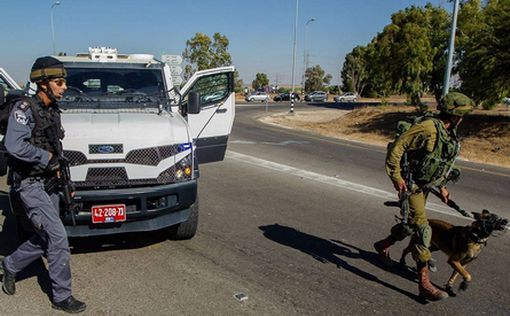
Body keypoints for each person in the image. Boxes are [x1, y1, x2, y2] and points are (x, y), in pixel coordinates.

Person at [0, 56, 86, 313]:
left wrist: (62, 176)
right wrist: (44, 158)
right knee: (58, 237)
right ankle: (62, 296)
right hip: (29, 184)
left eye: (64, 82)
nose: (64, 87)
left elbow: (53, 145)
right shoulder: (24, 109)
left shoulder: (52, 110)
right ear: (43, 84)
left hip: (49, 182)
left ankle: (11, 265)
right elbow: (13, 146)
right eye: (59, 82)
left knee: (46, 235)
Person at [373, 92, 475, 301]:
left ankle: (383, 245)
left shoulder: (448, 133)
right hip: (411, 185)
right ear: (455, 115)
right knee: (423, 229)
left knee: (410, 225)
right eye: (462, 114)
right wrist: (396, 177)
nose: (463, 119)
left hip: (426, 185)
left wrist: (443, 187)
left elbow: (440, 162)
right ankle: (424, 284)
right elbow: (398, 146)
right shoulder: (428, 127)